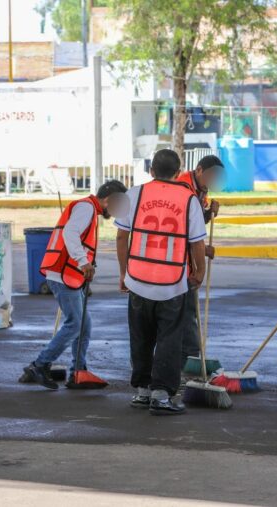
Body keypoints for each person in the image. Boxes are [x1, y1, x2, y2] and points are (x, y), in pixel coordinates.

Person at [115, 149, 208, 416]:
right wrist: (199, 272)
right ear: (178, 173)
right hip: (172, 282)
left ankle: (142, 391)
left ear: (151, 170)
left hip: (138, 279)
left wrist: (124, 273)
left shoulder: (132, 194)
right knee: (170, 338)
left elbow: (122, 238)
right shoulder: (189, 199)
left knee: (140, 337)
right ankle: (161, 395)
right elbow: (196, 242)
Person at [24, 180, 129, 390]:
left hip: (68, 274)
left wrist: (85, 264)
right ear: (108, 200)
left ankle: (78, 371)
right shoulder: (86, 208)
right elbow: (70, 233)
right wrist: (83, 262)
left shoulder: (89, 209)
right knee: (75, 323)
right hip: (64, 274)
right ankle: (40, 365)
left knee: (83, 324)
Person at [176, 155, 224, 366]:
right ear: (199, 170)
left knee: (188, 312)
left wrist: (209, 214)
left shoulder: (199, 190)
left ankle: (189, 356)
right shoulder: (184, 189)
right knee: (187, 312)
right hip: (179, 263)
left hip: (186, 260)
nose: (213, 179)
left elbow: (195, 222)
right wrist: (202, 250)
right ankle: (191, 358)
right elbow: (182, 229)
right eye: (211, 174)